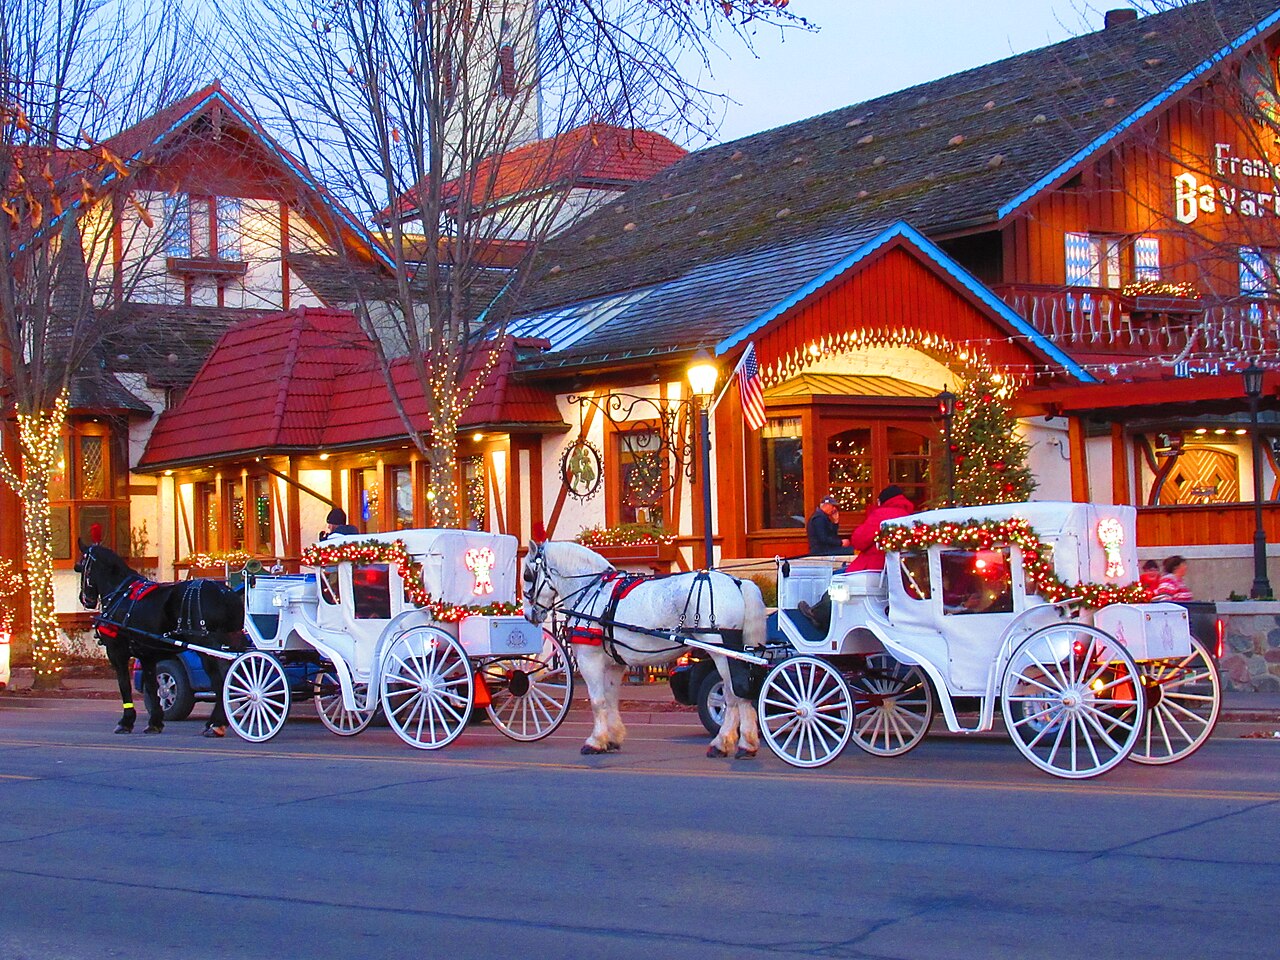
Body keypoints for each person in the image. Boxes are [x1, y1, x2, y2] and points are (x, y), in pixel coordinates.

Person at [799, 486, 915, 631]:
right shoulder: (909, 516)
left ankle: (820, 615)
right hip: (893, 571)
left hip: (874, 567)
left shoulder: (882, 514)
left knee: (839, 578)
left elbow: (859, 539)